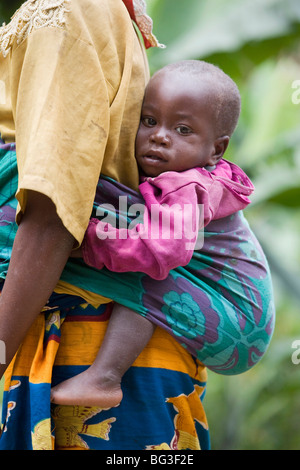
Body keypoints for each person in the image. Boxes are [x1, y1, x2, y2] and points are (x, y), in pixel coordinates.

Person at [0, 0, 212, 451]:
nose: (158, 134)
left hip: (68, 347)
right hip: (87, 342)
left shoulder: (71, 9)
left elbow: (54, 210)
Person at [50, 60, 275, 409]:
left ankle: (105, 377)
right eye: (149, 121)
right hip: (226, 312)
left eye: (182, 130)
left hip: (240, 325)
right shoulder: (179, 174)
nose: (159, 135)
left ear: (217, 150)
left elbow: (160, 250)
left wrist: (83, 240)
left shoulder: (191, 186)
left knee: (147, 268)